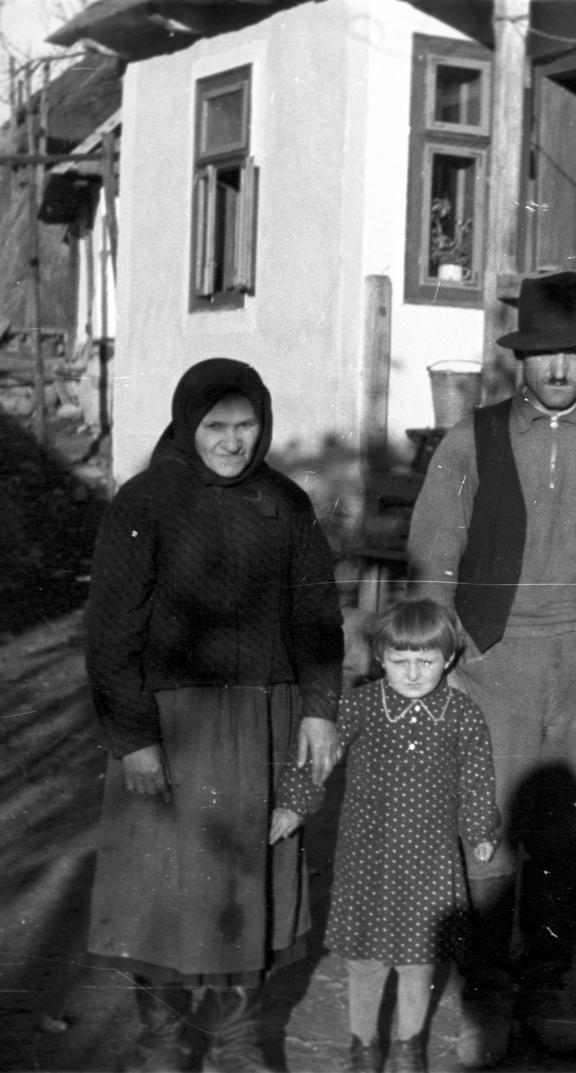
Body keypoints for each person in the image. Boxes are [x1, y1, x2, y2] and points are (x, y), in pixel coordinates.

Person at [407, 271, 576, 1067]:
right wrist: (443, 655)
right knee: (486, 833)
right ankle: (483, 994)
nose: (559, 370)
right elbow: (434, 551)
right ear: (521, 358)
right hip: (493, 659)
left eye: (574, 354)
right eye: (544, 354)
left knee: (560, 836)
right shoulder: (471, 438)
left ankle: (545, 991)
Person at [84, 357, 344, 1072]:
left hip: (265, 721)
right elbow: (110, 634)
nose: (232, 440)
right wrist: (134, 739)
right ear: (187, 424)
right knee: (161, 885)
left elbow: (317, 616)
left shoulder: (286, 503)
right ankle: (160, 1043)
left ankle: (234, 1044)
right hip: (172, 727)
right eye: (215, 425)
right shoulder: (144, 504)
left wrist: (320, 709)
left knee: (244, 882)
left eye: (247, 424)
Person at [325, 598, 500, 1073]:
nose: (414, 673)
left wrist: (480, 828)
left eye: (427, 661)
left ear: (449, 659)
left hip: (429, 860)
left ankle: (407, 1047)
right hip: (368, 856)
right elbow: (318, 755)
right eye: (401, 661)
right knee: (365, 959)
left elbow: (477, 779)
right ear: (381, 658)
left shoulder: (462, 714)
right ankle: (362, 1046)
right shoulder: (361, 705)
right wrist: (292, 804)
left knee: (419, 960)